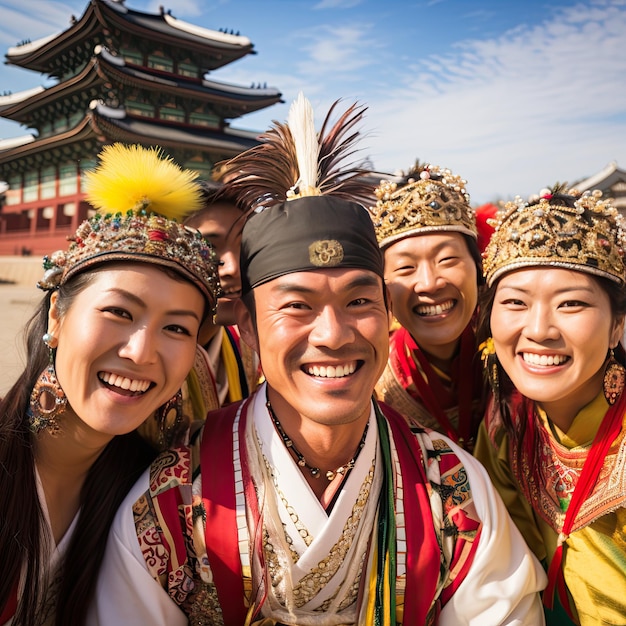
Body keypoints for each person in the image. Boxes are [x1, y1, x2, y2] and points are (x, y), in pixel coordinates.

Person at [92, 94, 546, 625]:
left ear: (387, 312)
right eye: (296, 306)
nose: (333, 335)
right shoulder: (171, 502)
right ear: (250, 330)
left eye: (359, 301)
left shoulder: (455, 492)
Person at [0, 143, 220, 626]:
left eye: (177, 328)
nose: (141, 352)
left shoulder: (154, 499)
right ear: (57, 314)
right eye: (118, 312)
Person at [474, 186, 626, 625]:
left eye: (571, 304)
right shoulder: (506, 425)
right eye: (515, 302)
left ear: (618, 325)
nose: (539, 329)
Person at [369, 163, 484, 451]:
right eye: (406, 268)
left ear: (479, 267)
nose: (429, 284)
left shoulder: (519, 358)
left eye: (447, 260)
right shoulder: (371, 381)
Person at [182, 180, 259, 415]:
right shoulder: (141, 354)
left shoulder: (252, 350)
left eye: (245, 246)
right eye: (209, 247)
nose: (233, 268)